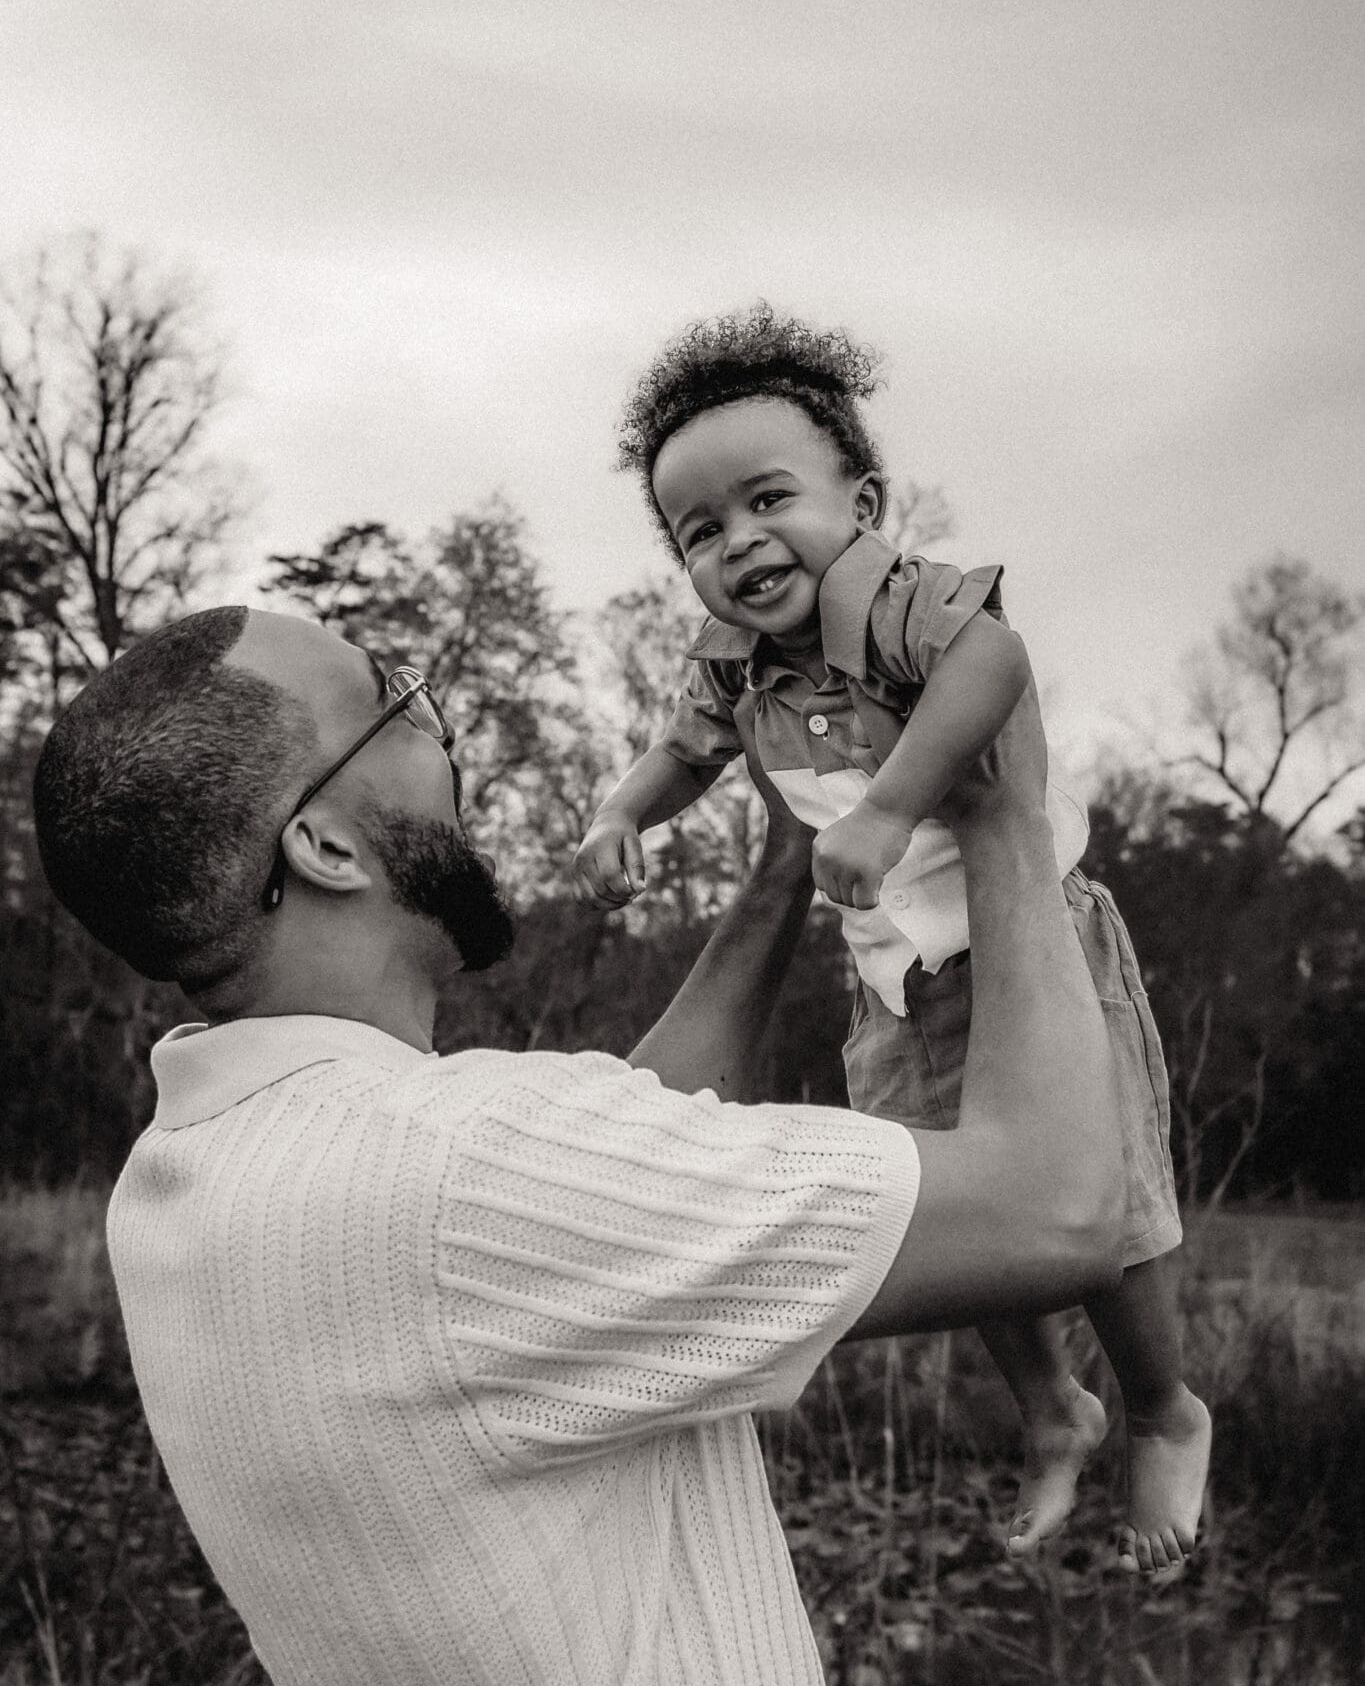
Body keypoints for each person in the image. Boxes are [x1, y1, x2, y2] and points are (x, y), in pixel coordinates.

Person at [34, 601, 1123, 1686]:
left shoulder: (178, 1180)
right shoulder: (462, 1168)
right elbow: (1057, 1205)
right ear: (323, 846)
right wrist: (1000, 809)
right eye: (396, 704)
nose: (441, 723)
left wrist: (792, 851)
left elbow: (613, 1161)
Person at [574, 305, 1210, 1571]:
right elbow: (682, 749)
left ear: (859, 498)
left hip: (1042, 947)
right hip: (897, 976)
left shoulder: (903, 599)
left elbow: (995, 664)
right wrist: (618, 809)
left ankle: (1161, 1407)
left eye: (768, 500)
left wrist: (886, 804)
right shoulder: (734, 665)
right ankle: (1052, 1409)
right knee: (960, 1202)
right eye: (702, 531)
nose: (741, 542)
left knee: (1111, 1203)